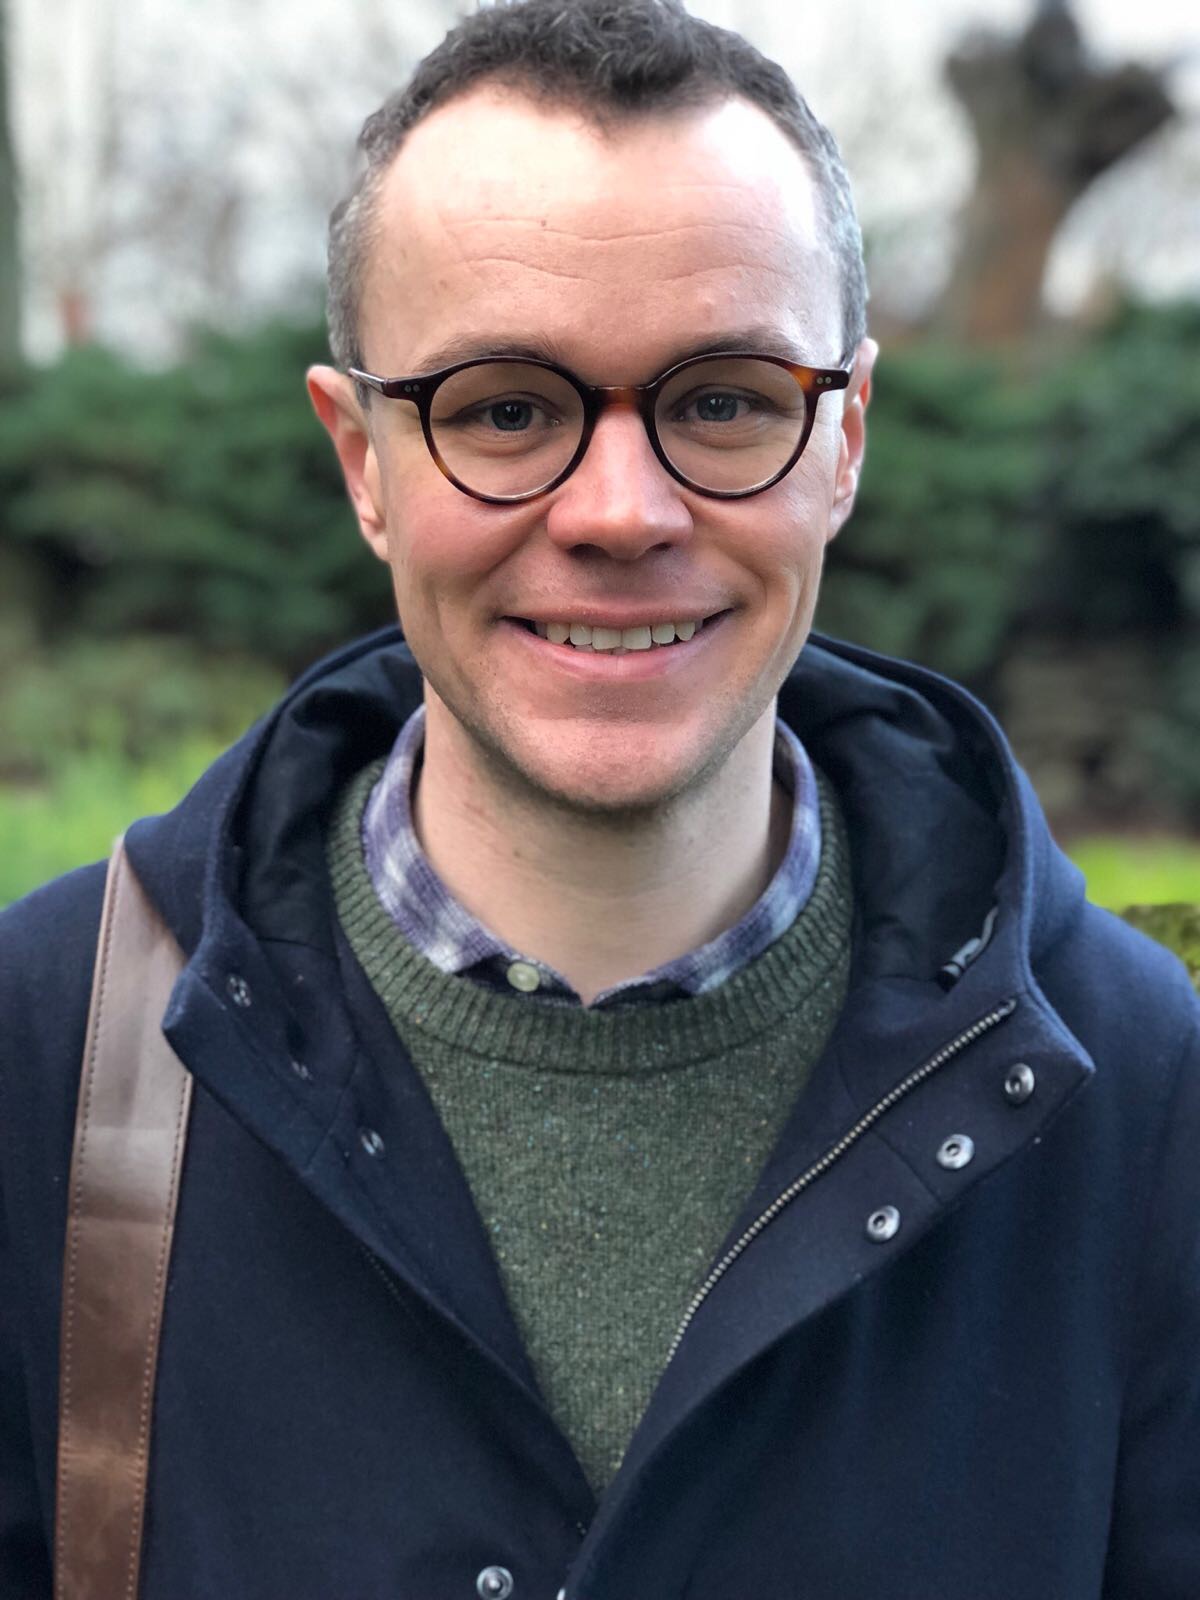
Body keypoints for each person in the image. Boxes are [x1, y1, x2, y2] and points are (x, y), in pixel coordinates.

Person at [2, 2, 1197, 1595]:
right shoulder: (44, 1057)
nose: (621, 512)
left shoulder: (1143, 1090)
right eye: (505, 408)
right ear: (361, 460)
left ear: (844, 440)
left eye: (722, 401)